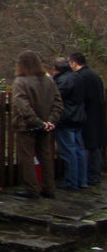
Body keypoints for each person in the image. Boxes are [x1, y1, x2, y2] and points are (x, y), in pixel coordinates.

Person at [12, 50, 64, 199]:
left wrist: (39, 122)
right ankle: (49, 187)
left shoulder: (20, 82)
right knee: (46, 156)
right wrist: (50, 121)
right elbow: (58, 103)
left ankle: (32, 189)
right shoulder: (49, 81)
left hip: (26, 126)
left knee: (27, 157)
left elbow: (23, 106)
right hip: (46, 125)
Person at [70, 52, 105, 187]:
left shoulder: (80, 77)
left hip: (87, 114)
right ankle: (95, 173)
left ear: (74, 63)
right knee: (96, 145)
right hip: (98, 113)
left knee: (90, 145)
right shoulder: (95, 75)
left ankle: (93, 175)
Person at [52, 57, 87, 190]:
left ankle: (71, 182)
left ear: (57, 68)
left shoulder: (63, 80)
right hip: (79, 116)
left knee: (68, 151)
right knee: (79, 149)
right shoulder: (77, 77)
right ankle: (82, 180)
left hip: (67, 118)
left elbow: (57, 98)